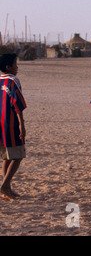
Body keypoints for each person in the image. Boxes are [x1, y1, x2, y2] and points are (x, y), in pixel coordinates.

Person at [0, 53, 27, 201]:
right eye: (16, 64)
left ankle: (7, 188)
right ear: (8, 67)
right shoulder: (13, 80)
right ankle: (5, 185)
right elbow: (18, 104)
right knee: (18, 155)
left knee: (6, 156)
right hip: (9, 122)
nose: (17, 67)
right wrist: (22, 125)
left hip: (0, 123)